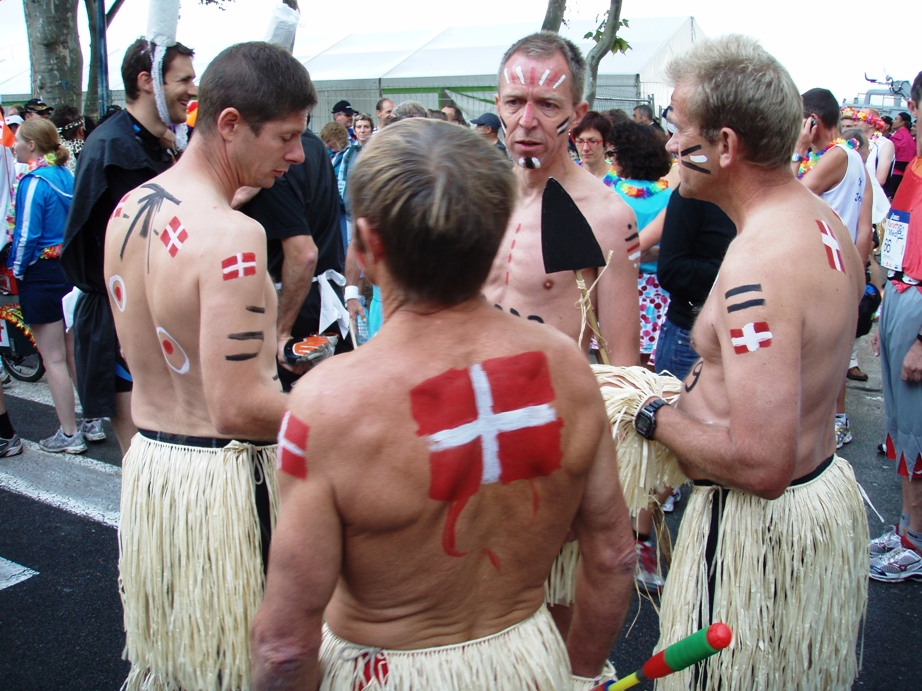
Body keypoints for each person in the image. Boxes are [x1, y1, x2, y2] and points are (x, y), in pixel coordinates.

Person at [252, 117, 635, 690]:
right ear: (496, 233)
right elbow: (614, 557)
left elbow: (284, 649)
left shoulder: (330, 403)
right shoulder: (568, 370)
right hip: (527, 665)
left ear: (367, 241)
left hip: (383, 674)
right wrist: (579, 677)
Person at [640, 35, 868, 690]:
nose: (668, 146)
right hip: (806, 512)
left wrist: (652, 415)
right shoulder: (821, 221)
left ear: (726, 146)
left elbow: (762, 462)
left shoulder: (760, 261)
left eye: (678, 130)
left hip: (755, 538)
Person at [103, 41, 314, 690]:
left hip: (154, 473)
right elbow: (238, 407)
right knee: (240, 667)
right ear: (229, 124)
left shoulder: (131, 207)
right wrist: (344, 402)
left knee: (177, 667)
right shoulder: (233, 237)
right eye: (285, 136)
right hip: (222, 489)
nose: (299, 155)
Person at [61, 37, 197, 456]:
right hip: (125, 326)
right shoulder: (115, 150)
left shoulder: (157, 145)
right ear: (147, 81)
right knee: (148, 466)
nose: (194, 89)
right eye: (185, 79)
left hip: (162, 322)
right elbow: (143, 246)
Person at [484, 32, 640, 368]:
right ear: (498, 105)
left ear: (576, 114)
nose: (526, 122)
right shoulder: (481, 198)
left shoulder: (607, 217)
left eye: (547, 104)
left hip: (554, 412)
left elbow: (623, 369)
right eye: (514, 102)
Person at [241, 115, 349, 392]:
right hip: (318, 299)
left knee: (294, 414)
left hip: (295, 302)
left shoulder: (275, 164)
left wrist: (281, 331)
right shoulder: (311, 145)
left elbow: (303, 255)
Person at [795, 87, 873, 449]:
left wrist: (797, 151)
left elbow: (791, 195)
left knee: (820, 350)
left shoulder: (835, 156)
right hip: (842, 265)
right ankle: (836, 421)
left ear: (812, 120)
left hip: (825, 264)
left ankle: (828, 424)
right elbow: (864, 224)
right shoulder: (853, 156)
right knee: (833, 347)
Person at [869, 69, 922, 582]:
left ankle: (917, 541)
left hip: (918, 306)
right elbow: (896, 235)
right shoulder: (918, 168)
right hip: (900, 295)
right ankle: (908, 526)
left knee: (917, 428)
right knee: (900, 425)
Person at [8, 118, 86, 453]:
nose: (12, 143)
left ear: (32, 145)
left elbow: (26, 236)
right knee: (71, 352)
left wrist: (17, 270)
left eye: (18, 139)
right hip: (68, 271)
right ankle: (91, 420)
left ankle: (69, 434)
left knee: (53, 359)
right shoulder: (64, 175)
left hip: (40, 273)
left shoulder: (33, 181)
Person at [571, 111, 614, 184]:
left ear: (606, 143)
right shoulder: (569, 174)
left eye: (592, 141)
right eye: (580, 141)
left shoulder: (621, 180)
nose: (585, 148)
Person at [890, 111, 916, 196]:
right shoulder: (909, 137)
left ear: (902, 123)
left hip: (894, 174)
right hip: (905, 174)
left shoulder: (897, 138)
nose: (893, 121)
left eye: (896, 119)